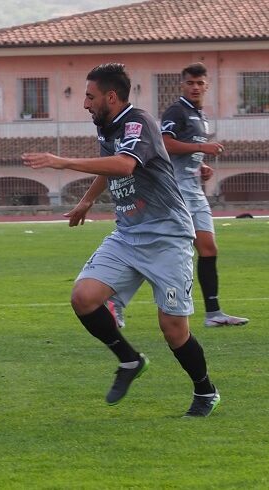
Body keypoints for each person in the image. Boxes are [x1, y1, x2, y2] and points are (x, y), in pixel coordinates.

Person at [22, 63, 220, 417]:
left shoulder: (138, 122)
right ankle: (129, 361)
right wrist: (86, 200)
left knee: (173, 329)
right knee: (83, 297)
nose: (84, 103)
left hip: (167, 236)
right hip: (128, 234)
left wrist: (60, 161)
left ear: (110, 97)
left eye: (89, 96)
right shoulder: (107, 126)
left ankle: (205, 391)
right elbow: (107, 163)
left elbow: (126, 165)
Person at [109, 63, 249, 330]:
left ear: (207, 85)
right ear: (182, 85)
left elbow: (182, 154)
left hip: (194, 189)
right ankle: (116, 299)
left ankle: (214, 313)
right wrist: (201, 147)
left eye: (200, 83)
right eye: (190, 83)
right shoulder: (177, 110)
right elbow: (164, 142)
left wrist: (200, 164)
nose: (195, 87)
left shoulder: (200, 116)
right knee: (165, 250)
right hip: (175, 192)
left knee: (208, 249)